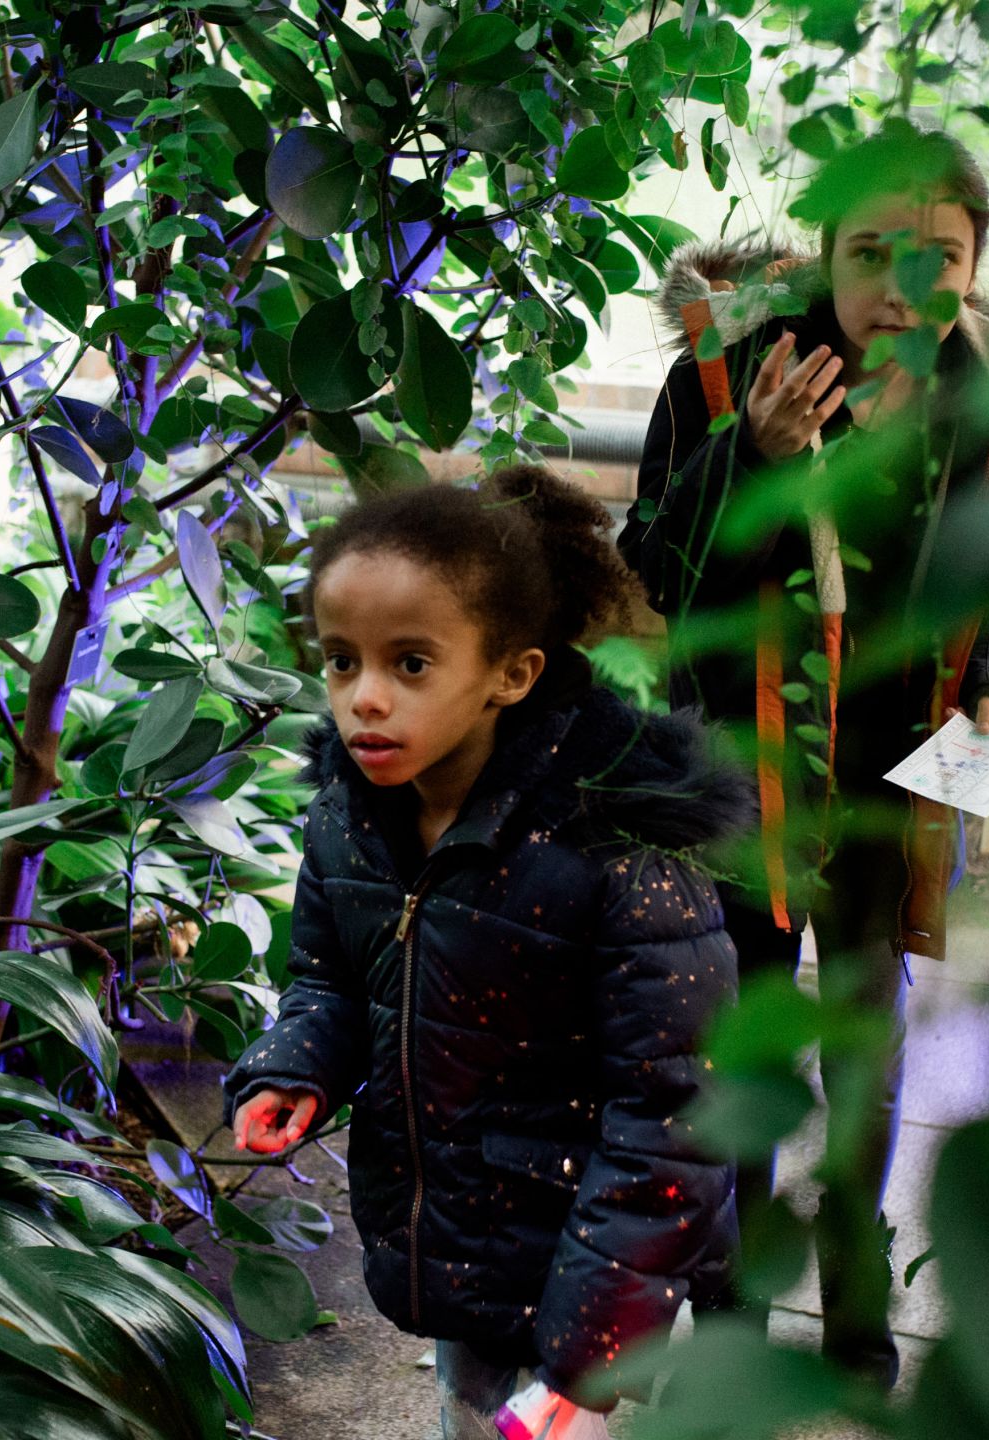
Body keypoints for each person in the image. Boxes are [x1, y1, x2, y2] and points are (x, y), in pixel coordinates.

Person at [617, 125, 989, 1386]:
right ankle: (733, 1321)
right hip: (741, 765)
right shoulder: (727, 372)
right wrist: (746, 460)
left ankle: (859, 1313)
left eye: (938, 256)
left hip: (902, 777)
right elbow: (652, 571)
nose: (900, 288)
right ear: (825, 257)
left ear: (973, 269)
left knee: (868, 1041)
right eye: (870, 252)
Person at [225, 467, 748, 1439]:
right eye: (344, 661)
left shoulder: (621, 842)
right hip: (463, 1249)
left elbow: (678, 1110)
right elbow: (334, 979)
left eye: (411, 663)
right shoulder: (356, 817)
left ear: (513, 671)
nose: (364, 699)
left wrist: (588, 1355)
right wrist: (298, 1064)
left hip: (599, 1269)